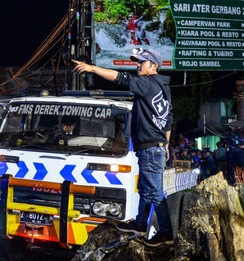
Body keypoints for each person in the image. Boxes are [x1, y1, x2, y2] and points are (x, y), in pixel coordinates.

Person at [73, 47, 173, 247]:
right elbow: (168, 118)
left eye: (141, 62)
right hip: (155, 145)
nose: (137, 65)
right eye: (137, 62)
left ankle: (166, 233)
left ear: (153, 66)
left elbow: (120, 78)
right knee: (145, 189)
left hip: (151, 147)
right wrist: (166, 142)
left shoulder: (147, 84)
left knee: (154, 192)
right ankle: (140, 223)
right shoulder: (162, 87)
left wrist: (92, 68)